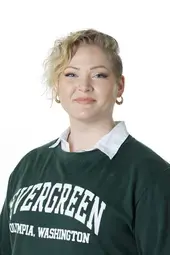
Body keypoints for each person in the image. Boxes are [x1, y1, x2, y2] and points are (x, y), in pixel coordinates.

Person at [0, 28, 170, 255]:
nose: (84, 85)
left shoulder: (151, 175)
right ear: (56, 86)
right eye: (71, 74)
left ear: (119, 86)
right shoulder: (28, 166)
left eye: (99, 74)